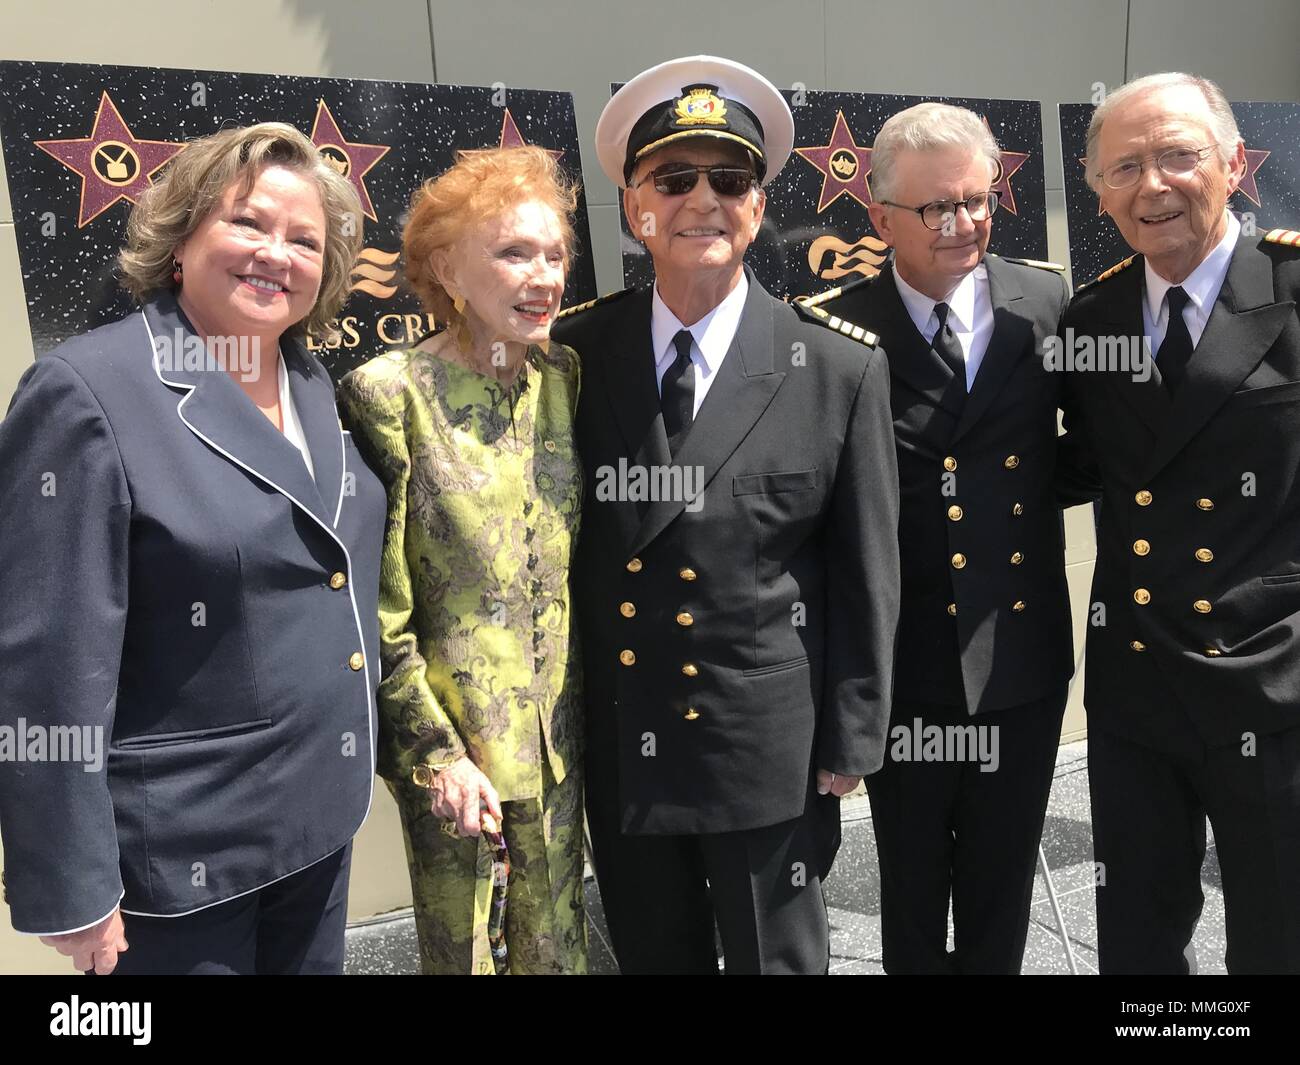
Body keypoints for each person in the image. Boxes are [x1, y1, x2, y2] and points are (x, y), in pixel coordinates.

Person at [0, 122, 385, 975]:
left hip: (318, 826)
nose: (274, 253)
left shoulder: (314, 385)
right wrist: (70, 884)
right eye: (247, 223)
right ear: (181, 240)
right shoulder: (87, 393)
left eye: (304, 240)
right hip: (180, 864)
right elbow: (46, 659)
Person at [552, 56, 900, 975]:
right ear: (635, 207)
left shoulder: (835, 366)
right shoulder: (576, 356)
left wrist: (853, 733)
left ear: (757, 206)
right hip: (629, 735)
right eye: (674, 179)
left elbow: (868, 570)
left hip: (765, 745)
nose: (702, 200)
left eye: (731, 179)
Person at [804, 102, 1084, 974]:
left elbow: (1089, 448)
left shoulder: (1046, 300)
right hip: (906, 667)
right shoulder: (833, 329)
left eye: (977, 199)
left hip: (1020, 660)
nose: (962, 223)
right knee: (913, 889)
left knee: (1002, 891)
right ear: (881, 216)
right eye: (935, 208)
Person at [1065, 71, 1300, 973]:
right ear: (1097, 191)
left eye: (1177, 156)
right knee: (1138, 933)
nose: (1152, 186)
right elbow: (1081, 465)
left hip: (1273, 682)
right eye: (1125, 167)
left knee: (1279, 929)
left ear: (1236, 163)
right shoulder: (1094, 316)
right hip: (1137, 687)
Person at [337, 146, 586, 975]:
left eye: (554, 254)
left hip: (560, 744)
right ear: (447, 267)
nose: (543, 275)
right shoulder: (388, 393)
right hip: (459, 759)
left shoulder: (563, 377)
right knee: (468, 958)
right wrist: (432, 755)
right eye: (514, 253)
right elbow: (378, 608)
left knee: (559, 949)